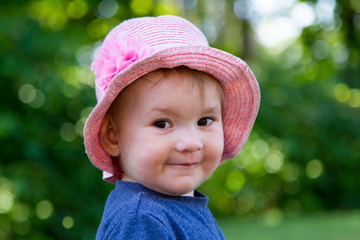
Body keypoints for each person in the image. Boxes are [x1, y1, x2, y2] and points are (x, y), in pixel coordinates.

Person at [83, 15, 260, 239]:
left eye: (204, 121)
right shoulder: (141, 220)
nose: (191, 143)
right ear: (113, 137)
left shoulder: (171, 206)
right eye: (162, 123)